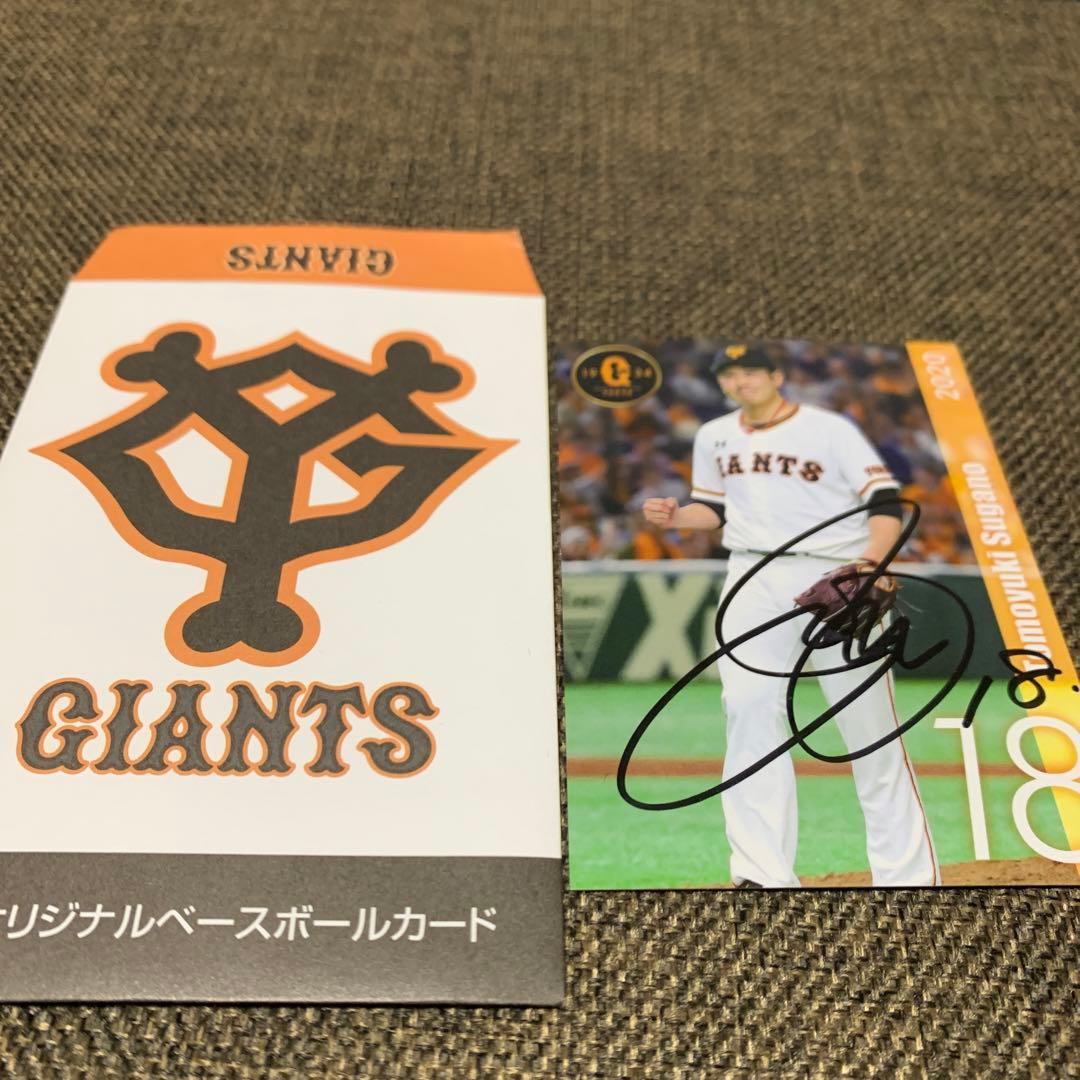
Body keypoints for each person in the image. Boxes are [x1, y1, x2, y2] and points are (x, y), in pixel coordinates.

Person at [642, 344, 939, 888]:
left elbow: (885, 501)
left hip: (836, 575)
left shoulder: (829, 429)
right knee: (748, 711)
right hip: (752, 575)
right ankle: (761, 873)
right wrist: (677, 516)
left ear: (777, 376)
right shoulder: (714, 435)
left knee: (869, 728)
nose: (741, 381)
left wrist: (871, 564)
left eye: (751, 371)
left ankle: (907, 877)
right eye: (730, 374)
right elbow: (716, 510)